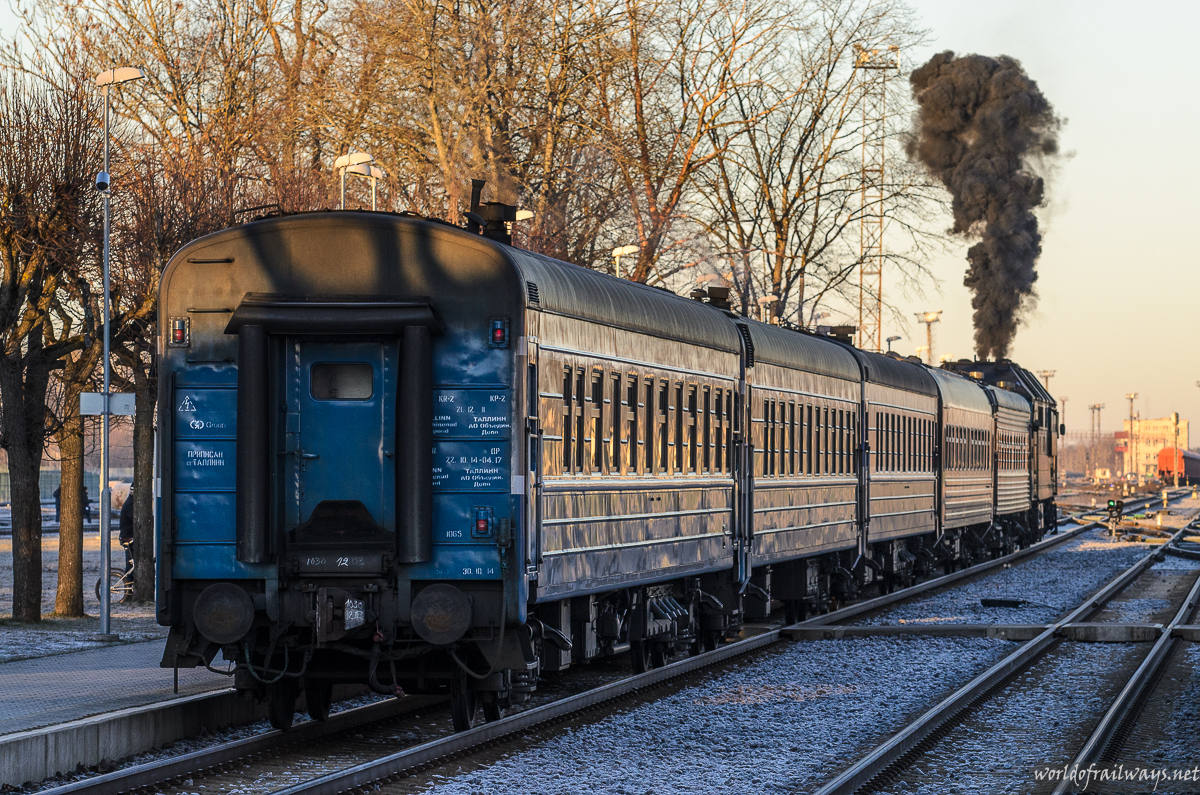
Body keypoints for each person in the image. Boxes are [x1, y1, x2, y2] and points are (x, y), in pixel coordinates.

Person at [118, 488, 136, 583]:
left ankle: (129, 587)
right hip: (128, 538)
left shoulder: (131, 502)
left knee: (132, 564)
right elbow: (135, 519)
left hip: (128, 536)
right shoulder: (130, 504)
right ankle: (128, 588)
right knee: (130, 565)